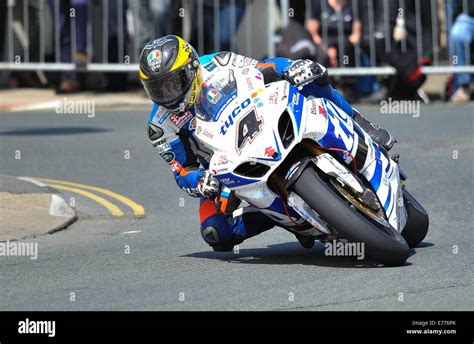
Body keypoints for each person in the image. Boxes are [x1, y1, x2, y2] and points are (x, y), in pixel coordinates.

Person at [140, 35, 395, 251]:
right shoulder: (160, 126)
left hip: (261, 122)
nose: (167, 95)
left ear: (192, 67)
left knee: (311, 78)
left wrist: (290, 68)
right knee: (216, 234)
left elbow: (264, 68)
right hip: (225, 169)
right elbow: (181, 169)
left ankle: (361, 124)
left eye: (173, 83)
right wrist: (199, 181)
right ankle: (291, 217)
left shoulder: (219, 63)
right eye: (158, 89)